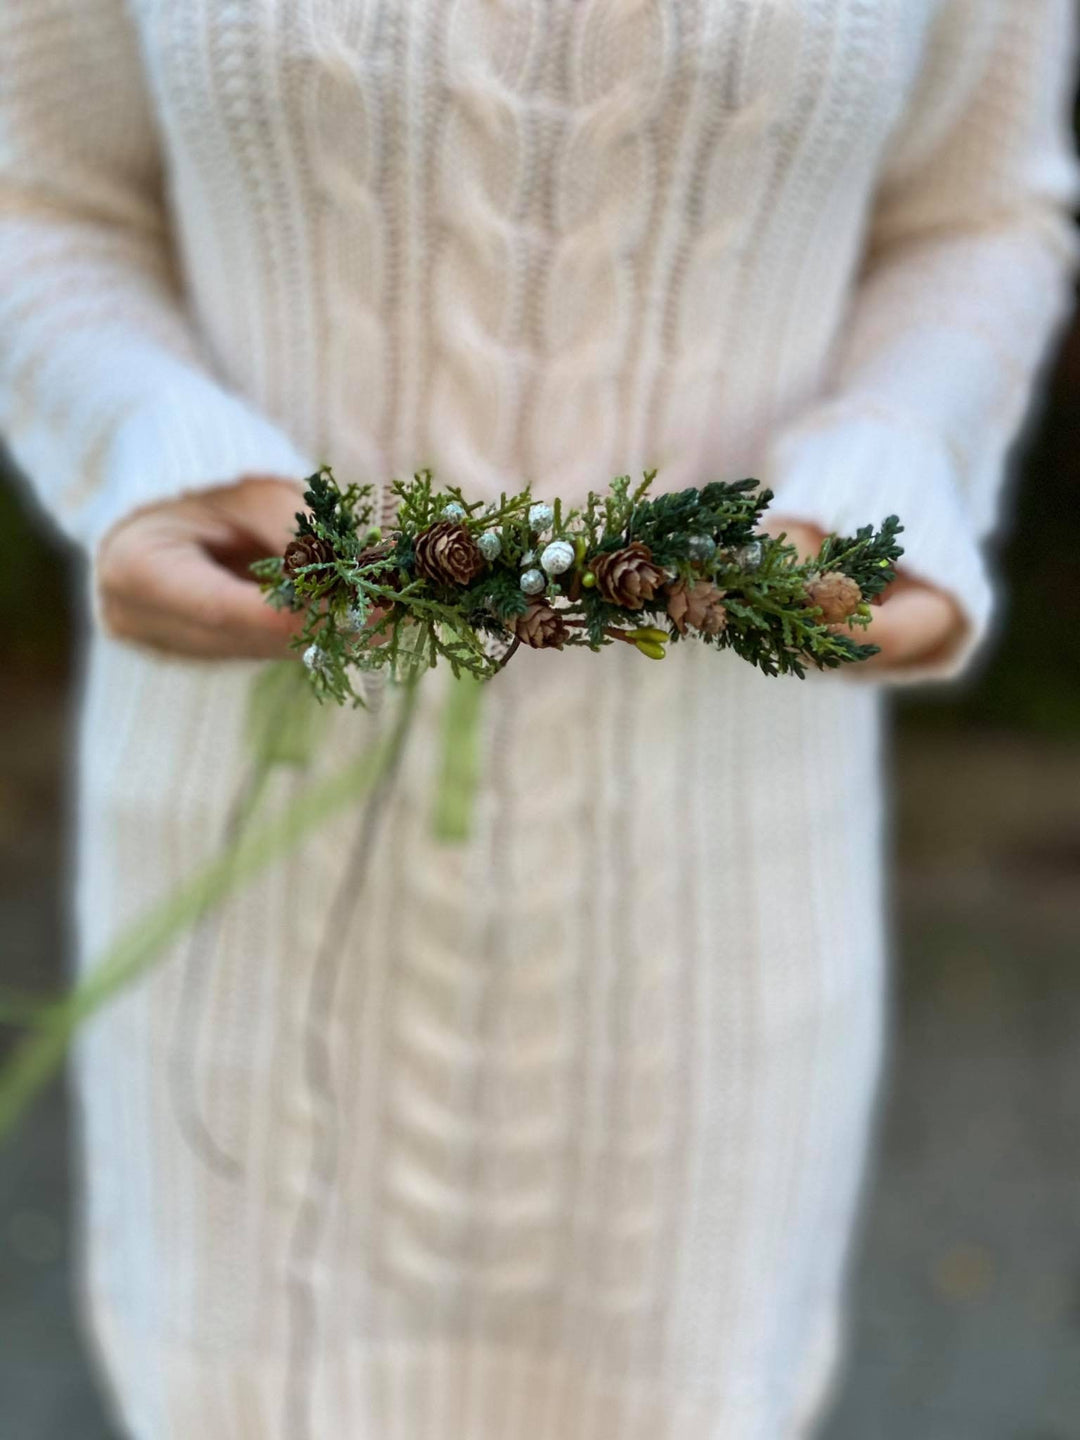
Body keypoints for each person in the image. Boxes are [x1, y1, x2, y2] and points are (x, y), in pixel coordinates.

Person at [1, 3, 1076, 1437]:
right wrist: (144, 437)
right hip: (246, 904)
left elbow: (979, 217)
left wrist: (894, 464)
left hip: (710, 906)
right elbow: (39, 195)